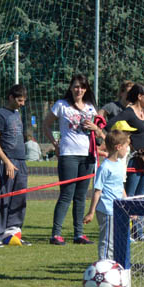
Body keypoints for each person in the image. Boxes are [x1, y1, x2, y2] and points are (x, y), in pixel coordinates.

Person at [42, 74, 104, 245]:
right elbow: (46, 124)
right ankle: (56, 234)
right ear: (70, 87)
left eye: (82, 87)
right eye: (76, 86)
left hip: (87, 156)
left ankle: (79, 234)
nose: (79, 90)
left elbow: (100, 133)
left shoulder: (90, 107)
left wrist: (95, 128)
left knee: (81, 196)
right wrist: (55, 143)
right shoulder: (61, 105)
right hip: (68, 155)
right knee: (66, 195)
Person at [0, 84, 31, 246]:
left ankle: (12, 233)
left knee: (19, 198)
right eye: (19, 100)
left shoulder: (17, 114)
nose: (22, 104)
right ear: (11, 97)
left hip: (21, 161)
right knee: (2, 198)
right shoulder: (0, 114)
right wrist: (7, 162)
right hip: (6, 161)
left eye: (24, 101)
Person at [112, 83, 144, 230]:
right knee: (130, 195)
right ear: (139, 96)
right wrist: (124, 141)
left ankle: (138, 231)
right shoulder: (129, 112)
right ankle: (125, 228)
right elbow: (111, 125)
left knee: (142, 196)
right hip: (134, 160)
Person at [84, 129, 130, 261]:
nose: (127, 150)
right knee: (107, 241)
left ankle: (113, 264)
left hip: (118, 209)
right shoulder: (105, 167)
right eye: (126, 147)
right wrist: (91, 212)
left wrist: (128, 205)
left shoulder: (120, 165)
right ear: (118, 147)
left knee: (116, 240)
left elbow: (120, 187)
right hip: (107, 209)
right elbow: (97, 191)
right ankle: (104, 266)